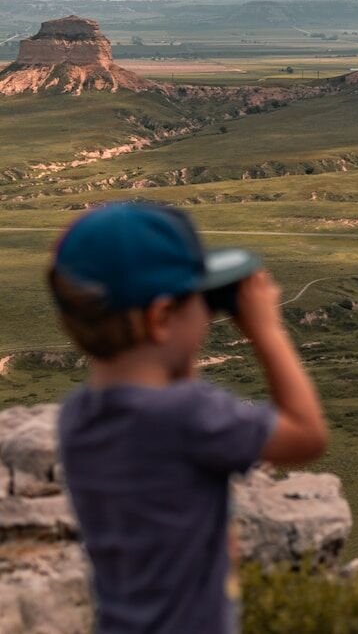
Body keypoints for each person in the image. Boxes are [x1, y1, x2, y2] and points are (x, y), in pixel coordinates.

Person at [48, 201, 327, 634]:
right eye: (201, 302)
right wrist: (267, 331)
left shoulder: (78, 416)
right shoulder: (188, 414)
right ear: (161, 318)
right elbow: (307, 436)